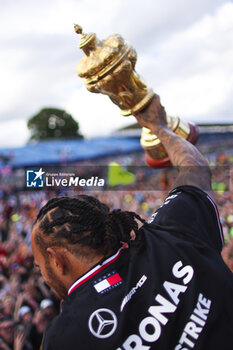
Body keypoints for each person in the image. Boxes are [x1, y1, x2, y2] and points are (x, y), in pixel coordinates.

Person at [31, 95, 233, 349]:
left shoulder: (64, 338)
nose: (44, 277)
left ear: (57, 259)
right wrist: (158, 126)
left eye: (40, 267)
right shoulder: (167, 233)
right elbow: (196, 167)